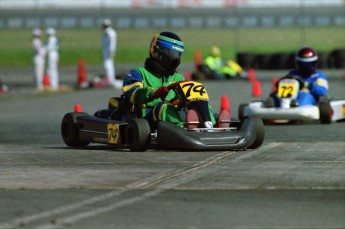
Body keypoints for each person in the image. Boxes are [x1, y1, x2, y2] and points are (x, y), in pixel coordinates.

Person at [119, 31, 229, 129]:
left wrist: (181, 101)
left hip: (177, 113)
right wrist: (153, 93)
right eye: (170, 53)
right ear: (158, 51)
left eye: (177, 54)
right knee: (164, 107)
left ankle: (211, 125)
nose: (174, 57)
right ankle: (184, 127)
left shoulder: (179, 78)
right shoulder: (139, 73)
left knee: (199, 102)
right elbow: (131, 94)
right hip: (148, 116)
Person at [102, 19, 122, 89]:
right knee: (108, 65)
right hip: (106, 51)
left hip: (108, 51)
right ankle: (110, 79)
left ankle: (110, 79)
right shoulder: (108, 32)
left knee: (108, 65)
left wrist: (111, 50)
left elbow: (112, 42)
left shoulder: (110, 32)